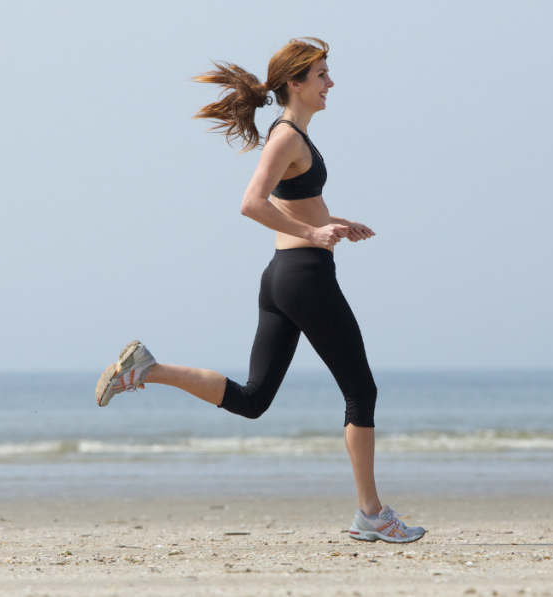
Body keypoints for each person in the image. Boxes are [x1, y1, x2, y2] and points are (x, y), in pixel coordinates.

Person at [95, 38, 424, 544]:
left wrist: (336, 222)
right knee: (361, 390)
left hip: (285, 277)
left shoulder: (292, 135)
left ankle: (147, 369)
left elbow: (294, 205)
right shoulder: (287, 137)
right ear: (295, 83)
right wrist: (316, 236)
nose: (330, 83)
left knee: (253, 401)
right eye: (321, 75)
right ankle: (371, 514)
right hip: (304, 277)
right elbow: (251, 202)